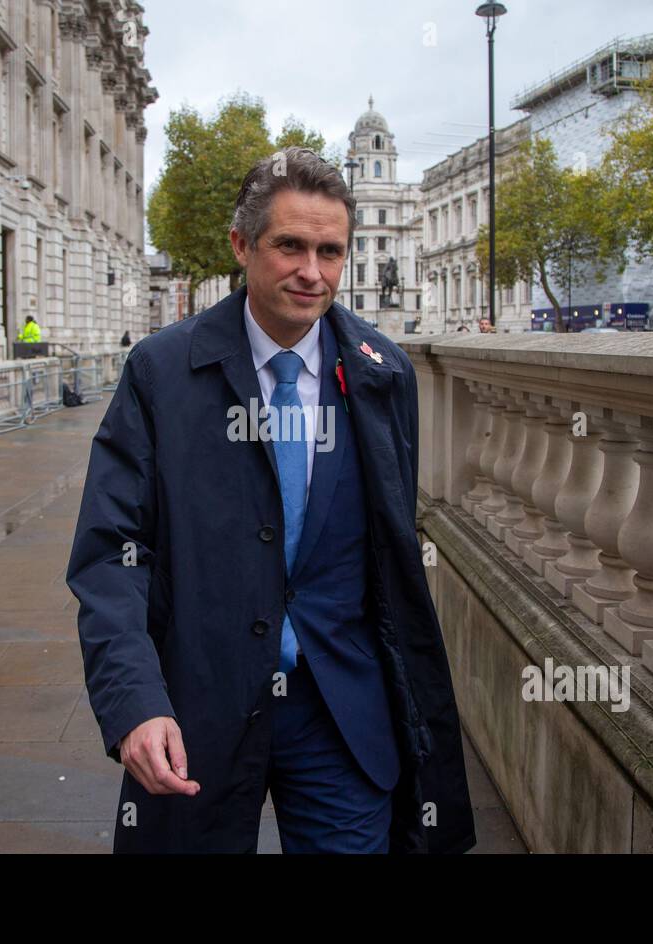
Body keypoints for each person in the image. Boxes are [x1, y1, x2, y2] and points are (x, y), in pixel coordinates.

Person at [66, 145, 475, 854]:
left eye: (330, 251)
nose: (312, 273)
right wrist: (133, 702)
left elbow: (386, 553)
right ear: (241, 244)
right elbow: (111, 554)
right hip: (197, 711)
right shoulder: (161, 372)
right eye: (290, 246)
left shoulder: (386, 376)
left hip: (339, 714)